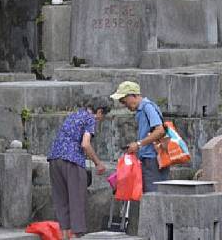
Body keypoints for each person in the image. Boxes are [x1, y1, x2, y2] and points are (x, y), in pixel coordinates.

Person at [47, 97, 110, 239]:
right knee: (77, 201)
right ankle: (77, 237)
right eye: (102, 116)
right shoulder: (90, 119)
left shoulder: (74, 115)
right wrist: (98, 163)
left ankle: (64, 237)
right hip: (72, 161)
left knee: (61, 202)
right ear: (99, 111)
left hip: (54, 159)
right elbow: (85, 144)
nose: (100, 119)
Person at [110, 81, 169, 192]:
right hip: (147, 158)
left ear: (133, 96)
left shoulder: (147, 107)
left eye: (124, 100)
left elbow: (160, 130)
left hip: (153, 159)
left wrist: (138, 144)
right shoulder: (141, 110)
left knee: (152, 195)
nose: (124, 104)